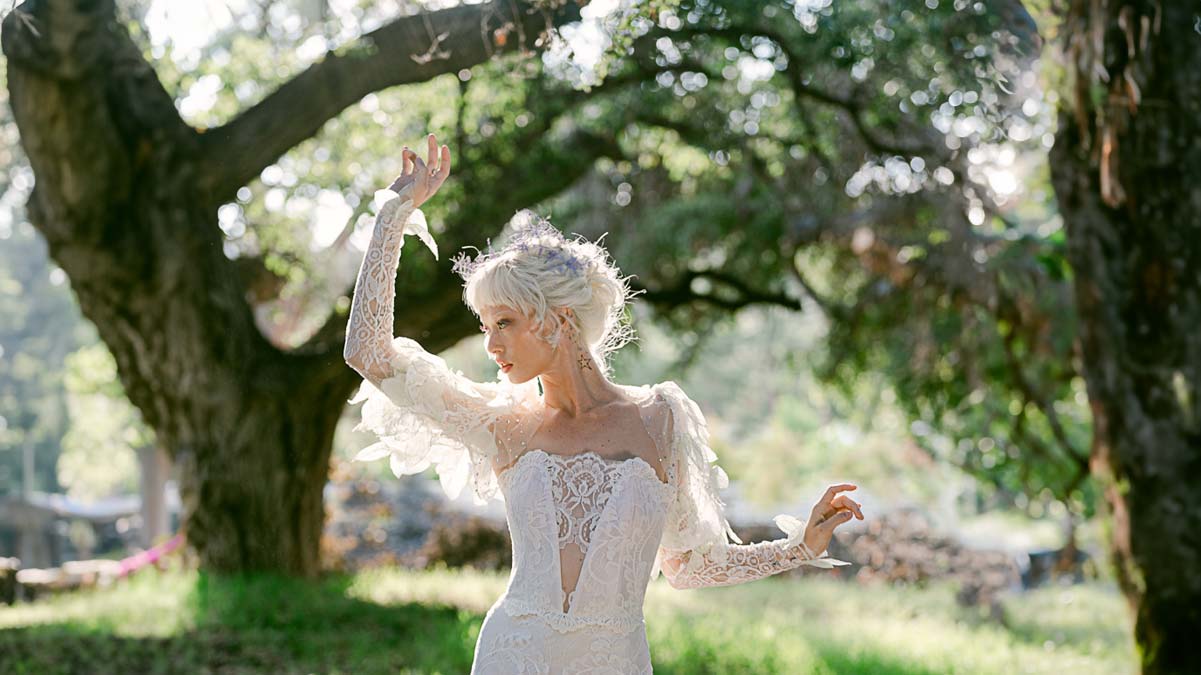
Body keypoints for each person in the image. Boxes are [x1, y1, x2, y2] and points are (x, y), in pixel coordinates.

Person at [343, 133, 865, 674]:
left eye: (506, 323)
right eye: (485, 326)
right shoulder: (503, 426)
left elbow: (687, 566)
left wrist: (800, 546)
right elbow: (367, 353)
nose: (491, 344)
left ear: (559, 319)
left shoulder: (660, 420)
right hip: (513, 656)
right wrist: (393, 216)